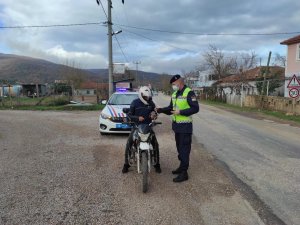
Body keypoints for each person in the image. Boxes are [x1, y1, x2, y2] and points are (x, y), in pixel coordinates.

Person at [156, 74, 199, 182]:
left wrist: (181, 112)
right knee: (180, 149)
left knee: (184, 150)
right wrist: (160, 110)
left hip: (185, 127)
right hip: (177, 127)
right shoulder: (175, 94)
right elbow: (171, 109)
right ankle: (181, 167)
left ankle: (184, 173)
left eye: (174, 84)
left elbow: (195, 108)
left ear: (179, 82)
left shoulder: (189, 92)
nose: (173, 86)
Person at [122, 86, 161, 174]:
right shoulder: (134, 103)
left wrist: (154, 115)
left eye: (148, 96)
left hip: (148, 126)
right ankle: (126, 164)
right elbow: (129, 115)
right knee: (129, 143)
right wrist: (137, 118)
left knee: (155, 144)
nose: (147, 98)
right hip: (136, 127)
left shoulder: (151, 103)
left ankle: (157, 164)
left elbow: (155, 113)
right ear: (141, 95)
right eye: (145, 97)